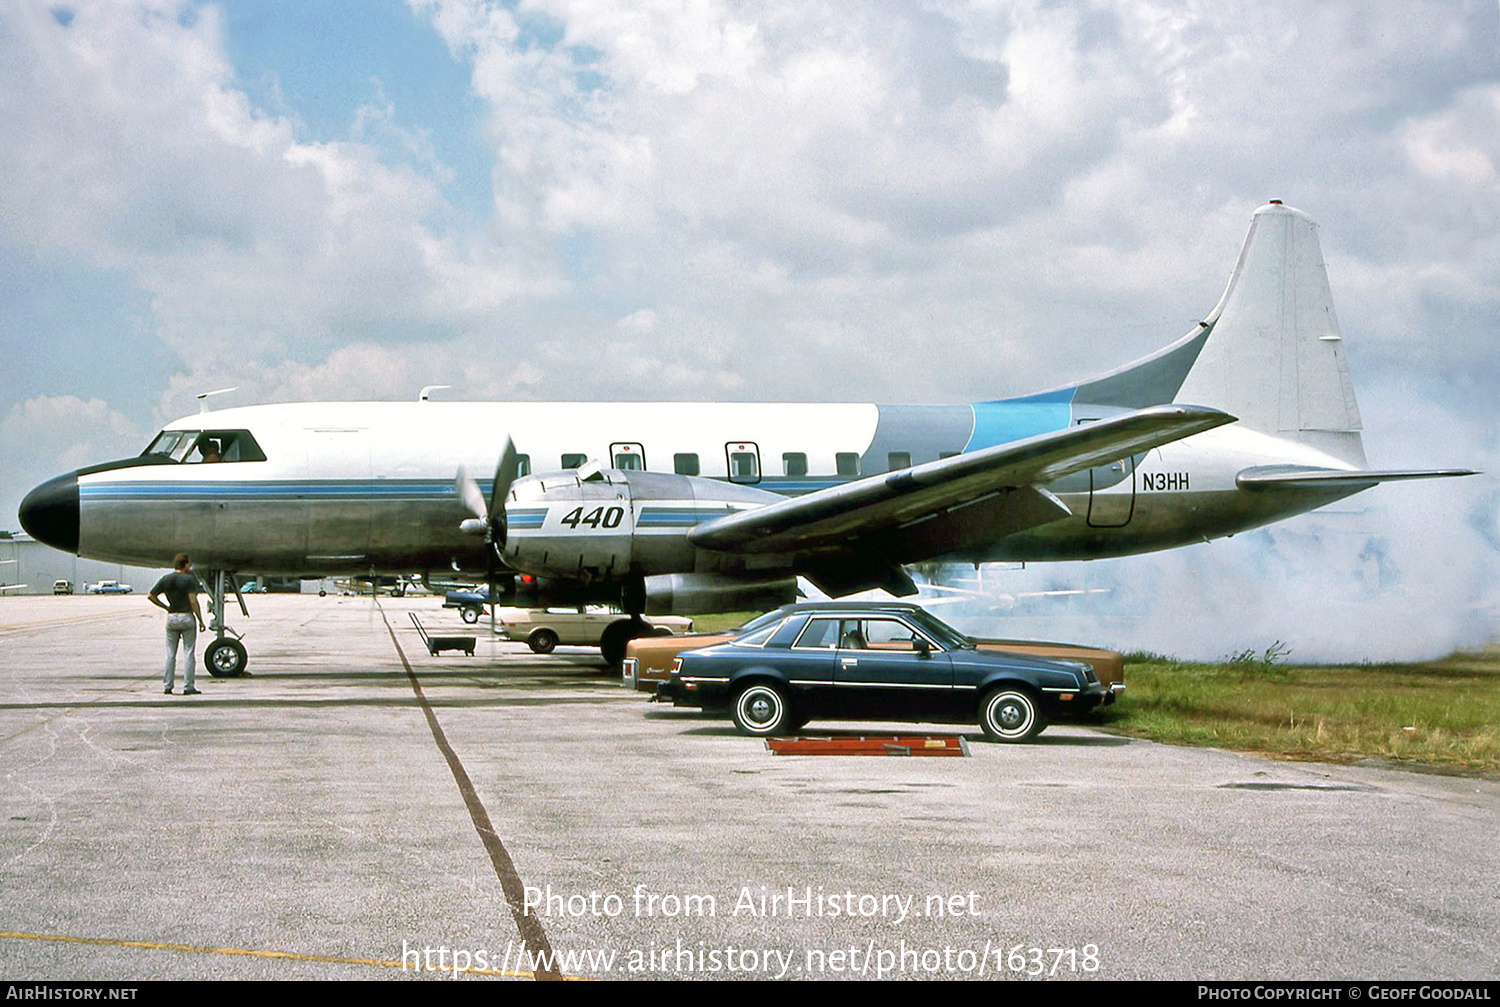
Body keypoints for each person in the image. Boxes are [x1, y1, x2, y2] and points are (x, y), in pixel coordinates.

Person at [149, 553, 206, 695]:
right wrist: (200, 619)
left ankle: (168, 685)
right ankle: (188, 686)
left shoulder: (166, 579)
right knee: (188, 652)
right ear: (185, 564)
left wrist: (166, 607)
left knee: (170, 653)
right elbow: (193, 601)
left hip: (172, 617)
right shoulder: (189, 579)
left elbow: (151, 596)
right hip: (186, 616)